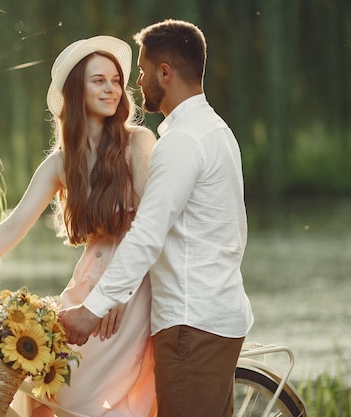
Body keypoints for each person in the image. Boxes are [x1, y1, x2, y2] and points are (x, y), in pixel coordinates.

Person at [0, 36, 158, 417]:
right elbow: (11, 227)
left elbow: (149, 225)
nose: (111, 88)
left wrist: (118, 295)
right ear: (77, 90)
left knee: (83, 399)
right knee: (45, 390)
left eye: (115, 80)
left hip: (131, 286)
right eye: (99, 80)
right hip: (86, 282)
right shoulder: (62, 163)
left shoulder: (139, 143)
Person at [59, 19, 254, 417]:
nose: (138, 83)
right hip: (219, 315)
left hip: (190, 326)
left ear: (165, 73)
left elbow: (146, 233)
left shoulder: (180, 142)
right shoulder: (216, 131)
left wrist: (92, 308)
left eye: (144, 72)